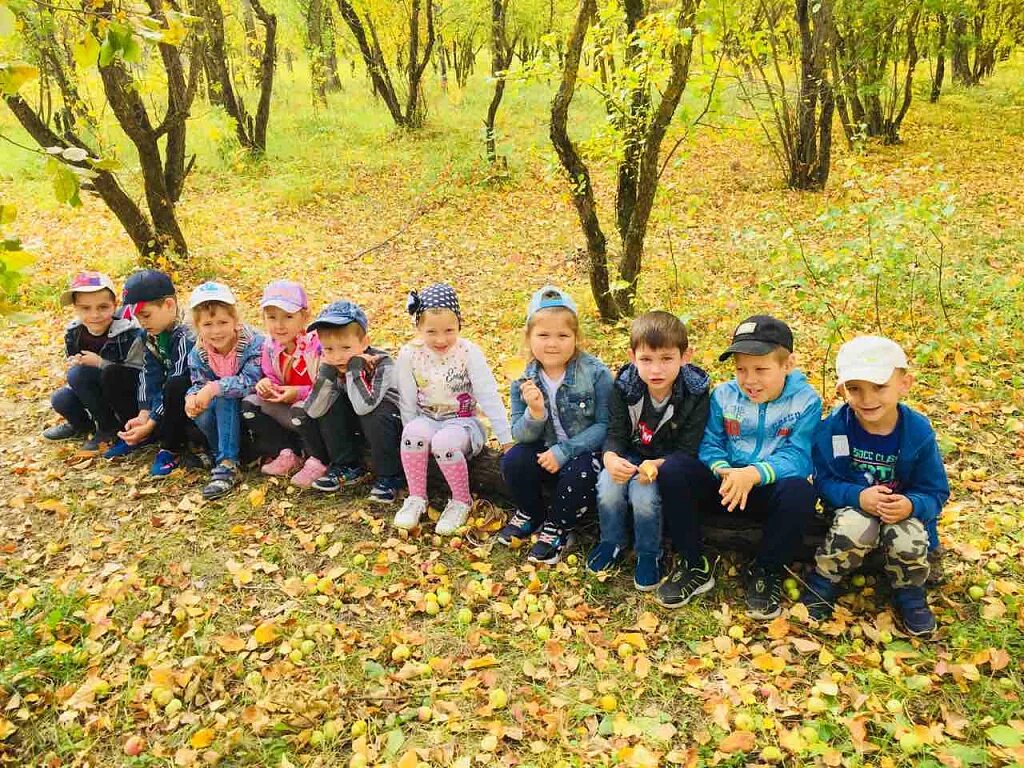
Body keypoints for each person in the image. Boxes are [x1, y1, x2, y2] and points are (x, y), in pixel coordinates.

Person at [655, 315, 821, 620]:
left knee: (800, 492)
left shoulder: (806, 402)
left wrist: (754, 474)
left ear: (788, 364)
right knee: (674, 468)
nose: (750, 380)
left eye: (761, 369)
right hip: (726, 482)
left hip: (766, 488)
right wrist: (724, 471)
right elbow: (709, 443)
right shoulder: (724, 395)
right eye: (741, 369)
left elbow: (799, 456)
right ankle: (694, 564)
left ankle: (765, 569)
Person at [800, 336, 949, 637]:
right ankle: (823, 581)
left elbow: (936, 491)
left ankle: (910, 594)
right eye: (855, 389)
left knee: (908, 536)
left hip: (903, 515)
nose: (867, 399)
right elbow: (824, 481)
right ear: (843, 390)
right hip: (852, 512)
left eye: (879, 387)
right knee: (855, 524)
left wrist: (911, 504)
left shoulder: (917, 431)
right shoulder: (834, 429)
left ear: (904, 384)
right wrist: (857, 496)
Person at [587, 311, 711, 590]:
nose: (656, 370)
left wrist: (657, 464)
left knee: (644, 495)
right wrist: (610, 456)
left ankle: (648, 553)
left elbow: (688, 448)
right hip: (630, 453)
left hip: (667, 461)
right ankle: (612, 541)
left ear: (685, 356)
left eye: (667, 359)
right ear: (633, 357)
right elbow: (616, 432)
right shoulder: (623, 387)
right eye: (646, 360)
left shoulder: (695, 394)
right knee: (608, 484)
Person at [498, 286, 612, 564]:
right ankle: (531, 512)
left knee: (580, 472)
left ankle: (559, 527)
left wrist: (566, 451)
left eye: (563, 335)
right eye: (543, 335)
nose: (552, 343)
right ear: (529, 337)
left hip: (586, 453)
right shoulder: (523, 377)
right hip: (544, 449)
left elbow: (605, 426)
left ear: (576, 337)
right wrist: (535, 414)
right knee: (513, 460)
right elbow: (518, 434)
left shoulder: (596, 373)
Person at [393, 283, 512, 534]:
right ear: (418, 327)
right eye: (431, 331)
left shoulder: (467, 352)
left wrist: (506, 438)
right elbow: (407, 400)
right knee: (414, 436)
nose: (440, 339)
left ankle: (461, 500)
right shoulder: (409, 354)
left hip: (462, 422)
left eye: (449, 330)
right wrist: (412, 434)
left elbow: (487, 393)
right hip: (427, 418)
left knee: (445, 443)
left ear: (459, 323)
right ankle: (417, 497)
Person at [290, 300, 405, 502]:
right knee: (328, 401)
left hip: (389, 423)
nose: (337, 356)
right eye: (329, 349)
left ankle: (390, 476)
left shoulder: (382, 363)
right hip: (357, 420)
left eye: (345, 347)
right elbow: (314, 410)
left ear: (364, 342)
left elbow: (364, 406)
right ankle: (347, 465)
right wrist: (326, 372)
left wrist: (355, 370)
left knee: (374, 413)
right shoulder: (331, 365)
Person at [117, 269, 207, 476]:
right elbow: (149, 372)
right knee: (116, 374)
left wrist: (152, 421)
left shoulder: (186, 334)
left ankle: (171, 447)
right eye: (137, 317)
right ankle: (143, 432)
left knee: (176, 384)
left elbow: (177, 377)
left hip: (193, 399)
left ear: (169, 305)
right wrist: (143, 412)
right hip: (165, 399)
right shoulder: (149, 334)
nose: (142, 322)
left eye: (146, 315)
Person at [44, 271, 145, 454]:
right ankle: (83, 425)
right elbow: (75, 364)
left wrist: (101, 363)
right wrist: (75, 363)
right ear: (76, 308)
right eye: (86, 308)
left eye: (102, 307)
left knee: (81, 374)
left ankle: (109, 428)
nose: (95, 314)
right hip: (94, 388)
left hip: (124, 393)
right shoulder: (74, 333)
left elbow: (138, 373)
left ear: (115, 306)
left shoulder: (128, 333)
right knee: (61, 398)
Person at [185, 282, 264, 500]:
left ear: (235, 321)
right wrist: (192, 397)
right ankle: (220, 453)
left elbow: (251, 380)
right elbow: (198, 382)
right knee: (201, 408)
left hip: (250, 410)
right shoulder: (199, 353)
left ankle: (228, 465)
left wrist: (215, 388)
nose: (216, 330)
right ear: (198, 326)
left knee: (224, 395)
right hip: (221, 417)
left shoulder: (253, 343)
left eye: (222, 322)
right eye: (208, 324)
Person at [242, 280, 320, 476]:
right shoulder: (270, 346)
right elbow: (271, 376)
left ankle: (317, 458)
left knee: (300, 409)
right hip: (286, 405)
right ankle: (287, 452)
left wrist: (298, 392)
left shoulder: (316, 345)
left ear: (304, 316)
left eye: (288, 317)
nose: (279, 325)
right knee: (251, 404)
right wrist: (267, 385)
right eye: (272, 317)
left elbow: (326, 386)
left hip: (312, 408)